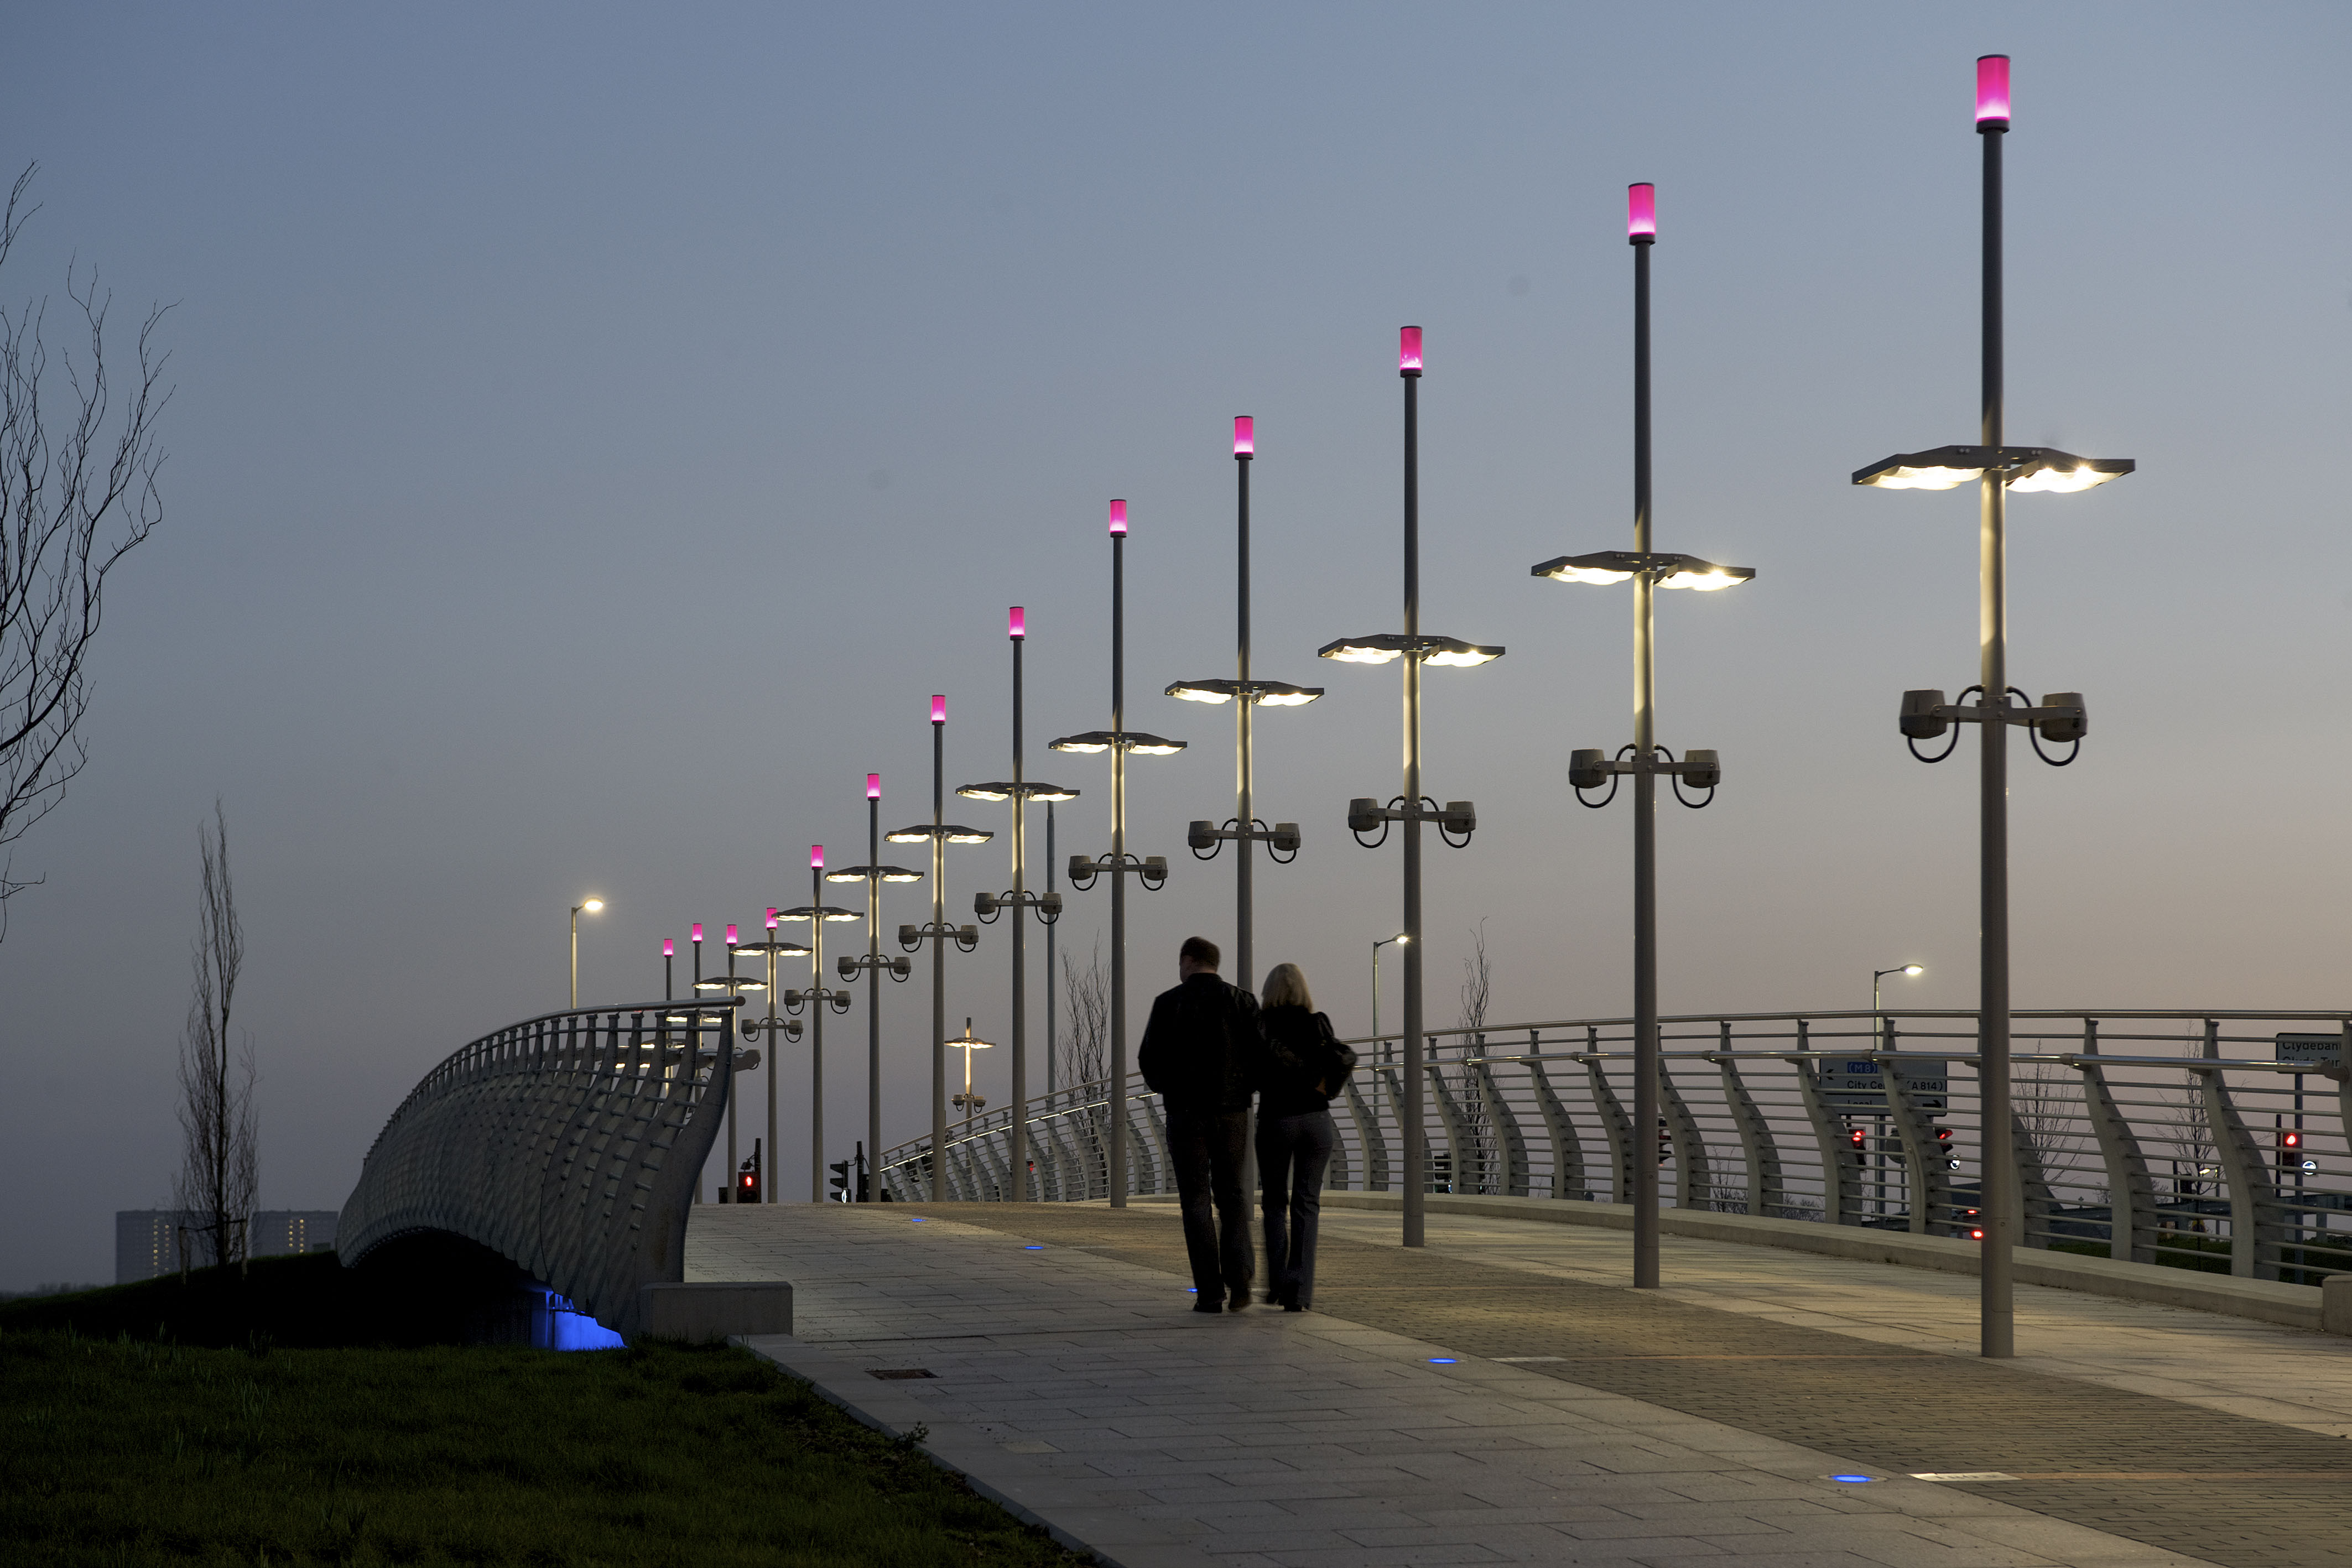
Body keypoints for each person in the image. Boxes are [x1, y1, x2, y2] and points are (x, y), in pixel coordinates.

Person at [1138, 935, 1260, 1312]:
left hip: (1185, 1112)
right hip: (1231, 1112)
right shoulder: (1242, 1001)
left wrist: (1169, 1089)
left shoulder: (1168, 1003)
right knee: (1233, 1195)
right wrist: (1244, 1091)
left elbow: (1149, 1059)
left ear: (1187, 960)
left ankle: (1209, 1292)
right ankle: (1239, 1281)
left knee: (1195, 1199)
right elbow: (1259, 1054)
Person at [1252, 962, 1354, 1311]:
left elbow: (1252, 1075)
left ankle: (1278, 1283)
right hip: (1317, 1121)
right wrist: (1324, 1087)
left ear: (1270, 990)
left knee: (1274, 1203)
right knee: (1307, 1204)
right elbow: (1343, 1058)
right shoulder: (1317, 1023)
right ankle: (1301, 1293)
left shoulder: (1263, 1026)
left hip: (1277, 1121)